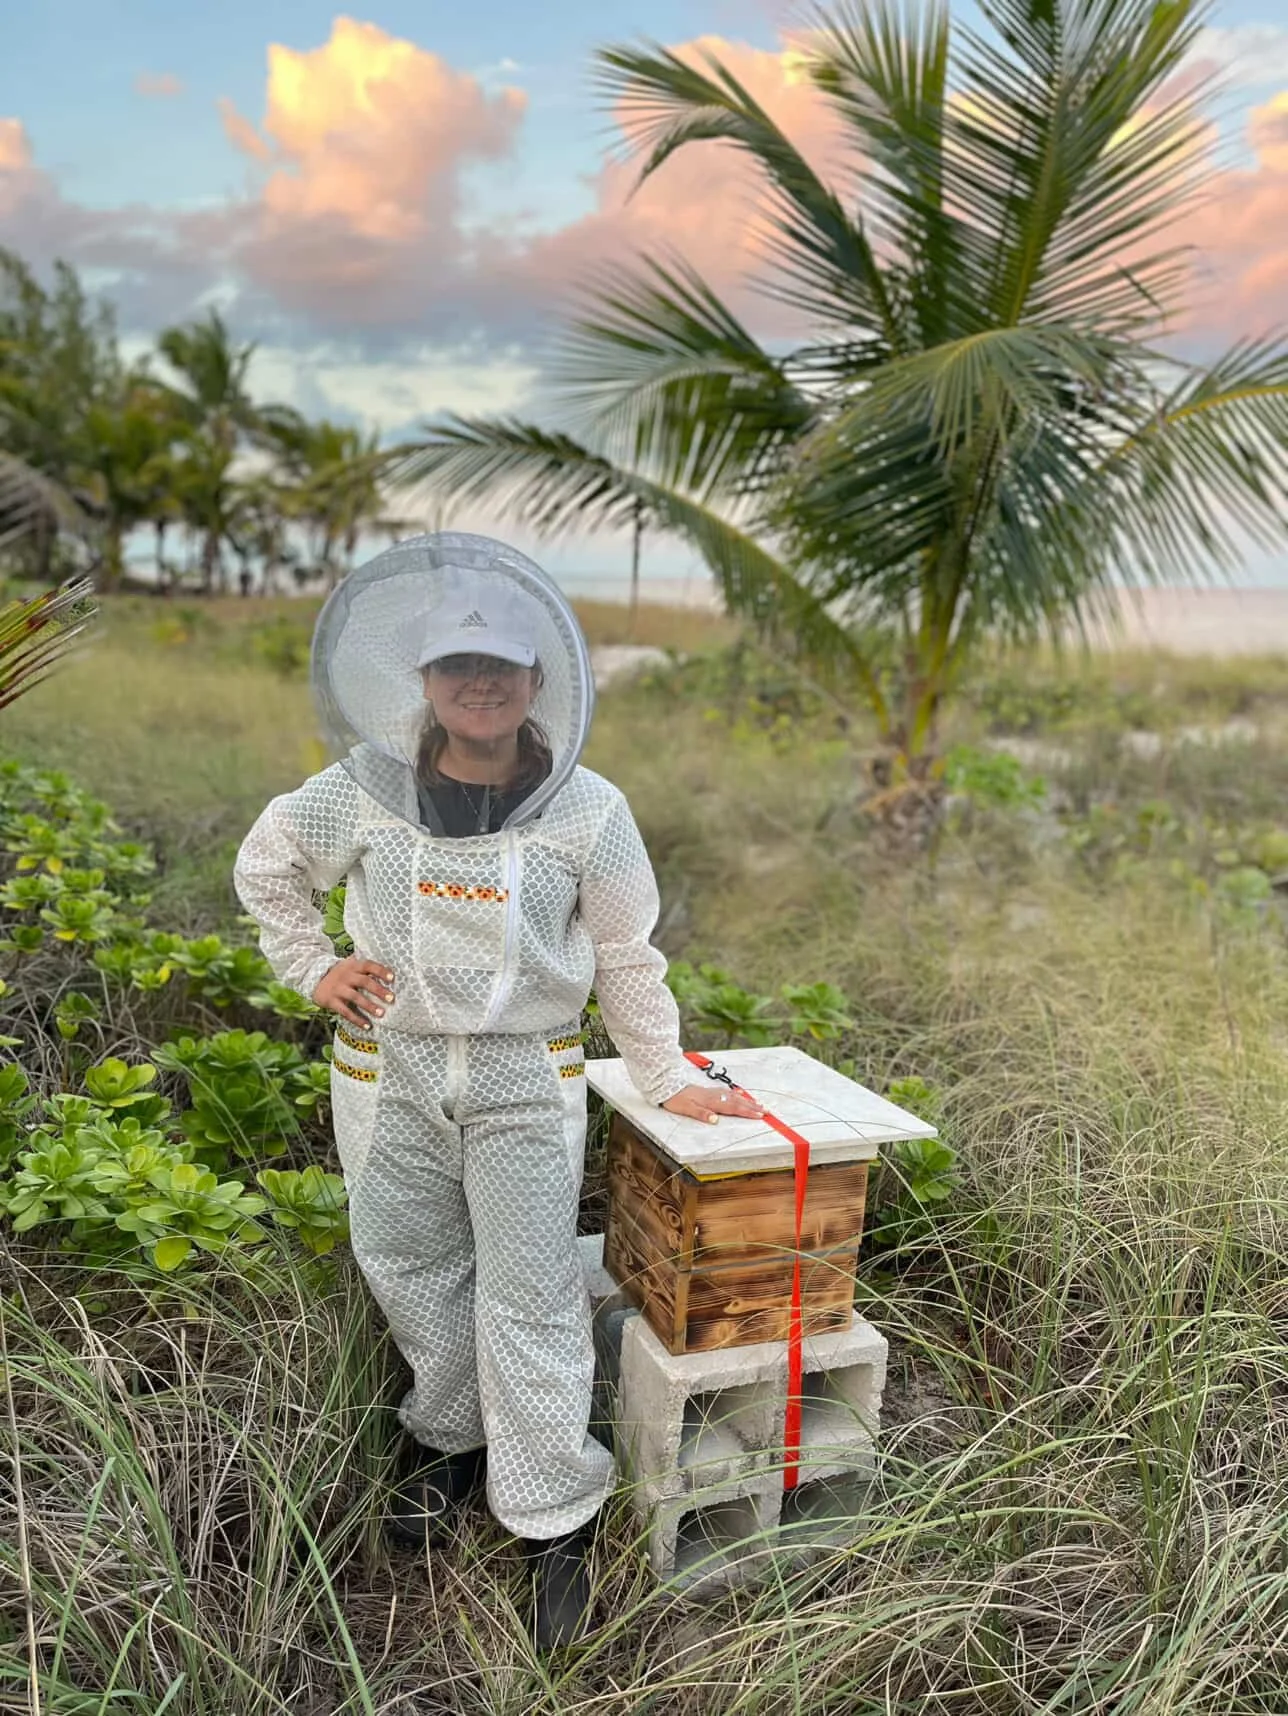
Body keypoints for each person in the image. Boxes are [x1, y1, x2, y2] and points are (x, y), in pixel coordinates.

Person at [232, 533, 761, 1649]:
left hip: (528, 1073)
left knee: (529, 1291)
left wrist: (667, 1075)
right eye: (457, 664)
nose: (480, 683)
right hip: (389, 1068)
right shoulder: (364, 786)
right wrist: (313, 966)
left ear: (538, 679)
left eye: (502, 665)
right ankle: (449, 1441)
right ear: (423, 679)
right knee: (408, 1263)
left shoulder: (587, 808)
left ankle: (554, 1514)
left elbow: (626, 955)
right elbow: (267, 865)